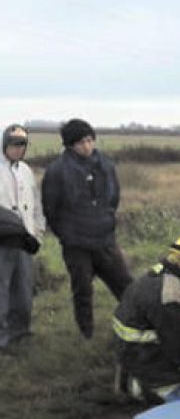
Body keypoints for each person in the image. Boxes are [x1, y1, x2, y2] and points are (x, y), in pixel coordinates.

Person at [41, 118, 132, 338]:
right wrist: (67, 235)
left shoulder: (106, 166)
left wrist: (106, 220)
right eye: (81, 142)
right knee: (82, 290)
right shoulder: (57, 171)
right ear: (70, 144)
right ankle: (86, 333)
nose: (87, 146)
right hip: (76, 243)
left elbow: (113, 198)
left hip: (105, 240)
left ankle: (138, 325)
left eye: (90, 140)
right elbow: (50, 209)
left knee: (127, 287)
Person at [112, 234, 180, 403]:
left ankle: (133, 381)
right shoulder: (169, 295)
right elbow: (176, 341)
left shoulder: (160, 275)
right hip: (147, 363)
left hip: (135, 355)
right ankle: (143, 389)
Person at [0, 125, 45, 353]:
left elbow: (36, 205)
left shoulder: (26, 171)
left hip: (25, 242)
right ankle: (2, 338)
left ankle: (21, 331)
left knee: (23, 289)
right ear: (4, 144)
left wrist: (38, 233)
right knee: (2, 290)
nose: (18, 149)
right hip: (3, 243)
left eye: (22, 145)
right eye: (14, 144)